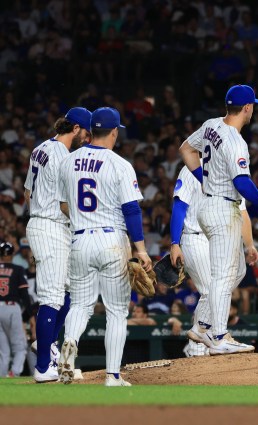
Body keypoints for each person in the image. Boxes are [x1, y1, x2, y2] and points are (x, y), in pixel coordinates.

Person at [179, 85, 258, 354]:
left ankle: (201, 325)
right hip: (222, 208)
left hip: (211, 205)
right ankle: (219, 336)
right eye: (253, 106)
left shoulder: (211, 124)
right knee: (223, 276)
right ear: (247, 108)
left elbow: (186, 150)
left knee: (237, 269)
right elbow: (243, 183)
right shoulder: (237, 141)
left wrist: (204, 179)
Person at [56, 107, 152, 386]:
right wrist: (141, 250)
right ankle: (112, 375)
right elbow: (132, 210)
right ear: (114, 132)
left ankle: (70, 343)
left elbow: (64, 204)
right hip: (112, 240)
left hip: (80, 238)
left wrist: (84, 220)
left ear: (90, 130)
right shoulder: (120, 164)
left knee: (81, 305)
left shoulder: (68, 162)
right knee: (116, 311)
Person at [24, 107, 91, 383]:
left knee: (70, 291)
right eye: (86, 133)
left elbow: (28, 192)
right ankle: (42, 368)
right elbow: (65, 205)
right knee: (52, 296)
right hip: (51, 225)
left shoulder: (40, 148)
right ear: (75, 129)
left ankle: (46, 343)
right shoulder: (64, 157)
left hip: (44, 224)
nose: (87, 139)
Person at [169, 165, 258, 355]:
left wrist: (249, 245)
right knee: (210, 289)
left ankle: (200, 329)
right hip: (196, 236)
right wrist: (175, 242)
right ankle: (199, 346)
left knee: (237, 273)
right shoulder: (192, 167)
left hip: (223, 235)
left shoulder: (231, 167)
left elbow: (241, 211)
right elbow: (180, 205)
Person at [0, 242, 31, 378]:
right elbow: (24, 294)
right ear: (12, 254)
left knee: (3, 351)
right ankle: (14, 372)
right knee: (20, 347)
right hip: (12, 307)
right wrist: (29, 314)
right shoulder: (18, 269)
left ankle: (2, 377)